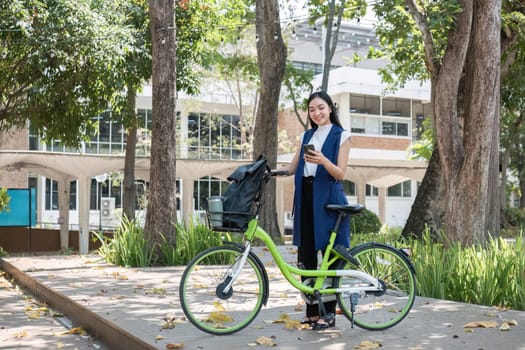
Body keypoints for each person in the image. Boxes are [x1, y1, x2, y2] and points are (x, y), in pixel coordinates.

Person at [276, 91, 351, 329]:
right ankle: (311, 311)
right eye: (311, 109)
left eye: (320, 107)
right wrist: (272, 172)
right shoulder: (306, 135)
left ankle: (328, 314)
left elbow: (340, 174)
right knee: (305, 255)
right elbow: (293, 167)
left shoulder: (342, 135)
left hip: (329, 197)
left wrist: (323, 161)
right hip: (306, 197)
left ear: (330, 108)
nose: (316, 113)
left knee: (329, 257)